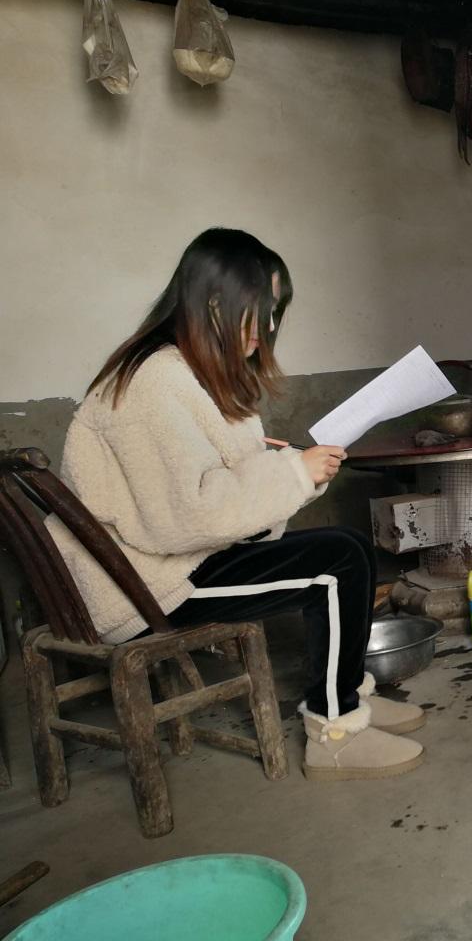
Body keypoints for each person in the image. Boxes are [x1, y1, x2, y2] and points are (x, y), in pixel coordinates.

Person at [48, 228, 426, 782]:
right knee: (336, 564)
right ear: (213, 303)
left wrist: (284, 467)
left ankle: (346, 692)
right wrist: (292, 472)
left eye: (273, 314)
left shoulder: (180, 369)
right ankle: (335, 732)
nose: (266, 328)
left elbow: (202, 486)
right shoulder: (153, 380)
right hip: (144, 586)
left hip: (170, 563)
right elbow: (186, 516)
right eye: (258, 311)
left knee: (347, 547)